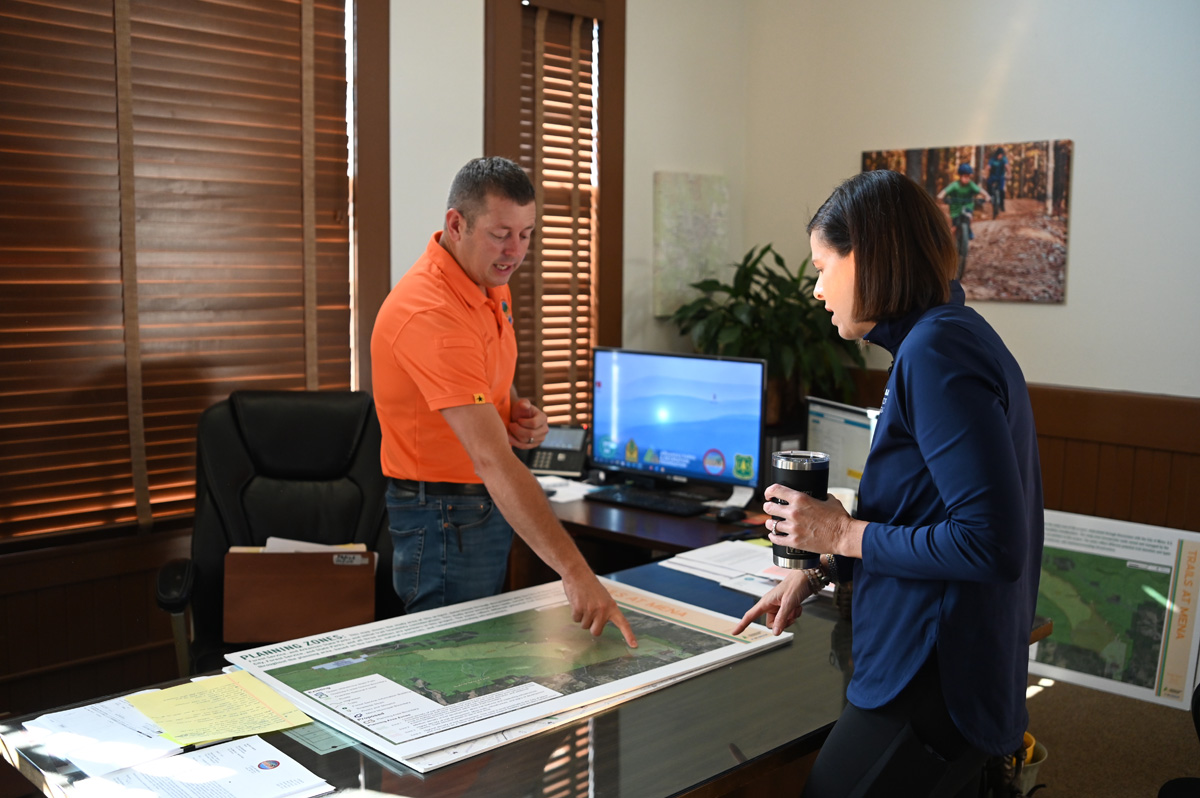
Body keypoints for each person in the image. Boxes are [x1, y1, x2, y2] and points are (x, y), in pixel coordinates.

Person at [732, 169, 1043, 797]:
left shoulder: (935, 352)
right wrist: (821, 564)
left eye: (822, 267)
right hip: (940, 658)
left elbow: (991, 543)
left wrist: (839, 534)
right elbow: (929, 511)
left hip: (936, 673)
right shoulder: (946, 336)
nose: (817, 289)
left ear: (868, 259)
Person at [370, 156, 636, 647]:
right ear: (456, 225)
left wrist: (515, 410)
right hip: (444, 513)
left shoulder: (486, 281)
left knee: (480, 651)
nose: (515, 251)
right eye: (500, 234)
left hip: (478, 502)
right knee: (452, 662)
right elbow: (491, 457)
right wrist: (576, 572)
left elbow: (483, 375)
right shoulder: (431, 312)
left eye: (526, 234)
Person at [936, 163, 990, 280]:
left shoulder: (971, 185)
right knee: (954, 228)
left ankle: (967, 230)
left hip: (967, 208)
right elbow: (942, 193)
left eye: (968, 176)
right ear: (960, 176)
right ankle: (951, 244)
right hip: (955, 210)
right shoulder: (955, 186)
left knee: (969, 216)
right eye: (964, 176)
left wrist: (987, 197)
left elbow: (981, 191)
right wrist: (942, 198)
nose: (966, 178)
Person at [986, 147, 1008, 216]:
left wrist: (1009, 174)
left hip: (1001, 177)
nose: (1001, 156)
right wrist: (985, 174)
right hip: (993, 176)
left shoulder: (1004, 159)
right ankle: (990, 197)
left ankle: (1002, 205)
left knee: (1001, 190)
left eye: (1002, 155)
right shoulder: (992, 159)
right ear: (997, 154)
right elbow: (988, 167)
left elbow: (1007, 166)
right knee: (988, 184)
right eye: (1000, 155)